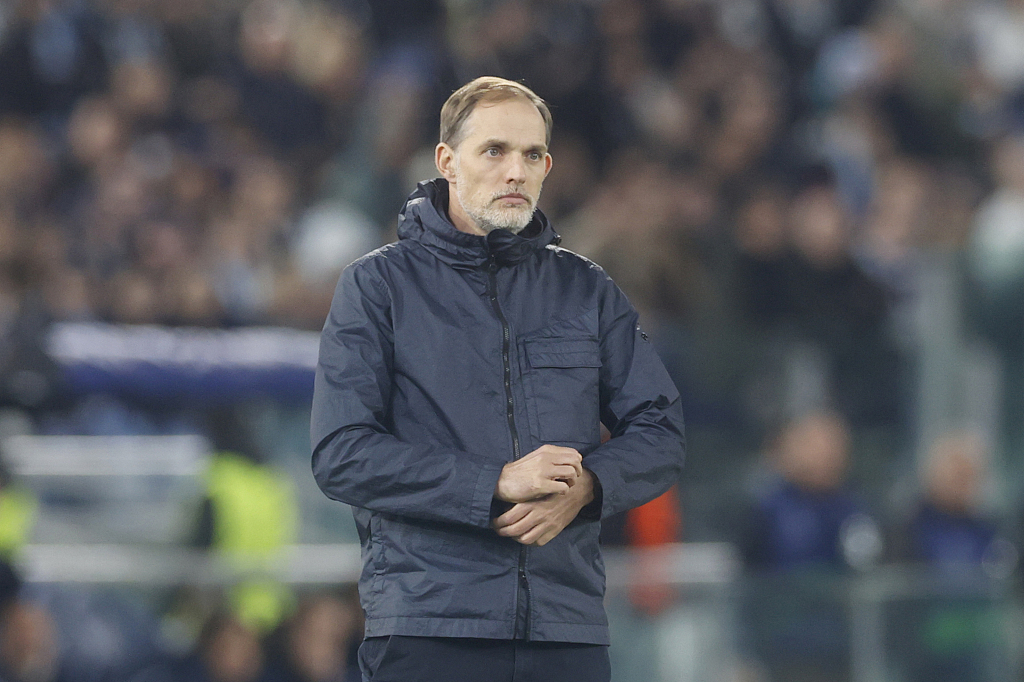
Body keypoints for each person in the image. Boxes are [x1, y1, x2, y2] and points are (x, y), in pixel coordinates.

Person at [310, 76, 685, 682]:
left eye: (532, 154)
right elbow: (342, 454)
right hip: (430, 628)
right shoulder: (376, 287)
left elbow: (662, 431)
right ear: (447, 161)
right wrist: (495, 482)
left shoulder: (587, 289)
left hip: (566, 629)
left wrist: (589, 484)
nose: (516, 170)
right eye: (495, 151)